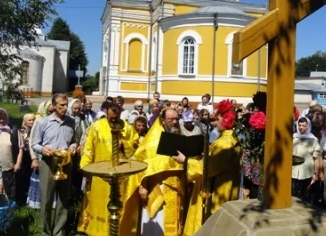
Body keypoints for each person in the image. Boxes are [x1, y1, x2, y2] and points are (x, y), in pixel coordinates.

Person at [174, 100, 242, 235]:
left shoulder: (224, 144)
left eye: (217, 119)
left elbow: (207, 169)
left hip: (217, 192)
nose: (215, 123)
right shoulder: (230, 139)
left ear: (227, 119)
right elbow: (217, 162)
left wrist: (185, 160)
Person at [121, 108, 185, 236]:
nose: (174, 122)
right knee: (155, 226)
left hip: (176, 189)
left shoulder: (181, 137)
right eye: (170, 119)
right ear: (162, 120)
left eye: (176, 119)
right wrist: (143, 185)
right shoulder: (153, 139)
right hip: (157, 189)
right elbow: (141, 162)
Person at [77, 103, 139, 235]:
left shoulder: (127, 128)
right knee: (99, 204)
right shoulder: (97, 126)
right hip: (100, 175)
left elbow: (136, 145)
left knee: (118, 203)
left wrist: (125, 144)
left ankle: (118, 230)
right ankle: (97, 231)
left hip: (120, 175)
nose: (113, 119)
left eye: (116, 117)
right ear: (106, 113)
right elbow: (89, 147)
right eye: (111, 117)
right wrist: (85, 166)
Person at [32, 93, 76, 236]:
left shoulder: (71, 121)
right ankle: (45, 231)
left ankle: (59, 231)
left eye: (66, 104)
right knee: (46, 198)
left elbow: (74, 140)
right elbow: (35, 144)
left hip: (65, 163)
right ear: (54, 106)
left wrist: (73, 146)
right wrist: (43, 149)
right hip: (48, 163)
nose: (65, 107)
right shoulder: (43, 122)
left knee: (64, 198)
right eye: (61, 105)